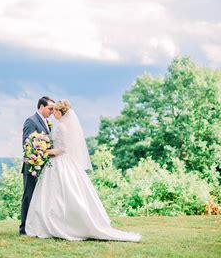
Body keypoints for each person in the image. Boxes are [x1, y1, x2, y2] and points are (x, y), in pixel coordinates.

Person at [25, 99, 141, 242]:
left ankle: (61, 224)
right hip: (59, 163)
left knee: (60, 194)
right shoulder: (61, 125)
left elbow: (62, 149)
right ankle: (59, 223)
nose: (52, 112)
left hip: (60, 162)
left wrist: (44, 151)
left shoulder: (61, 127)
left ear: (59, 112)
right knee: (59, 195)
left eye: (54, 110)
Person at [19, 96, 55, 235]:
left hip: (44, 166)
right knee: (28, 197)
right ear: (41, 107)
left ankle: (36, 226)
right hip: (32, 167)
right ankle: (24, 228)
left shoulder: (48, 122)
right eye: (50, 108)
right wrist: (38, 157)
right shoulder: (31, 121)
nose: (52, 111)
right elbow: (27, 144)